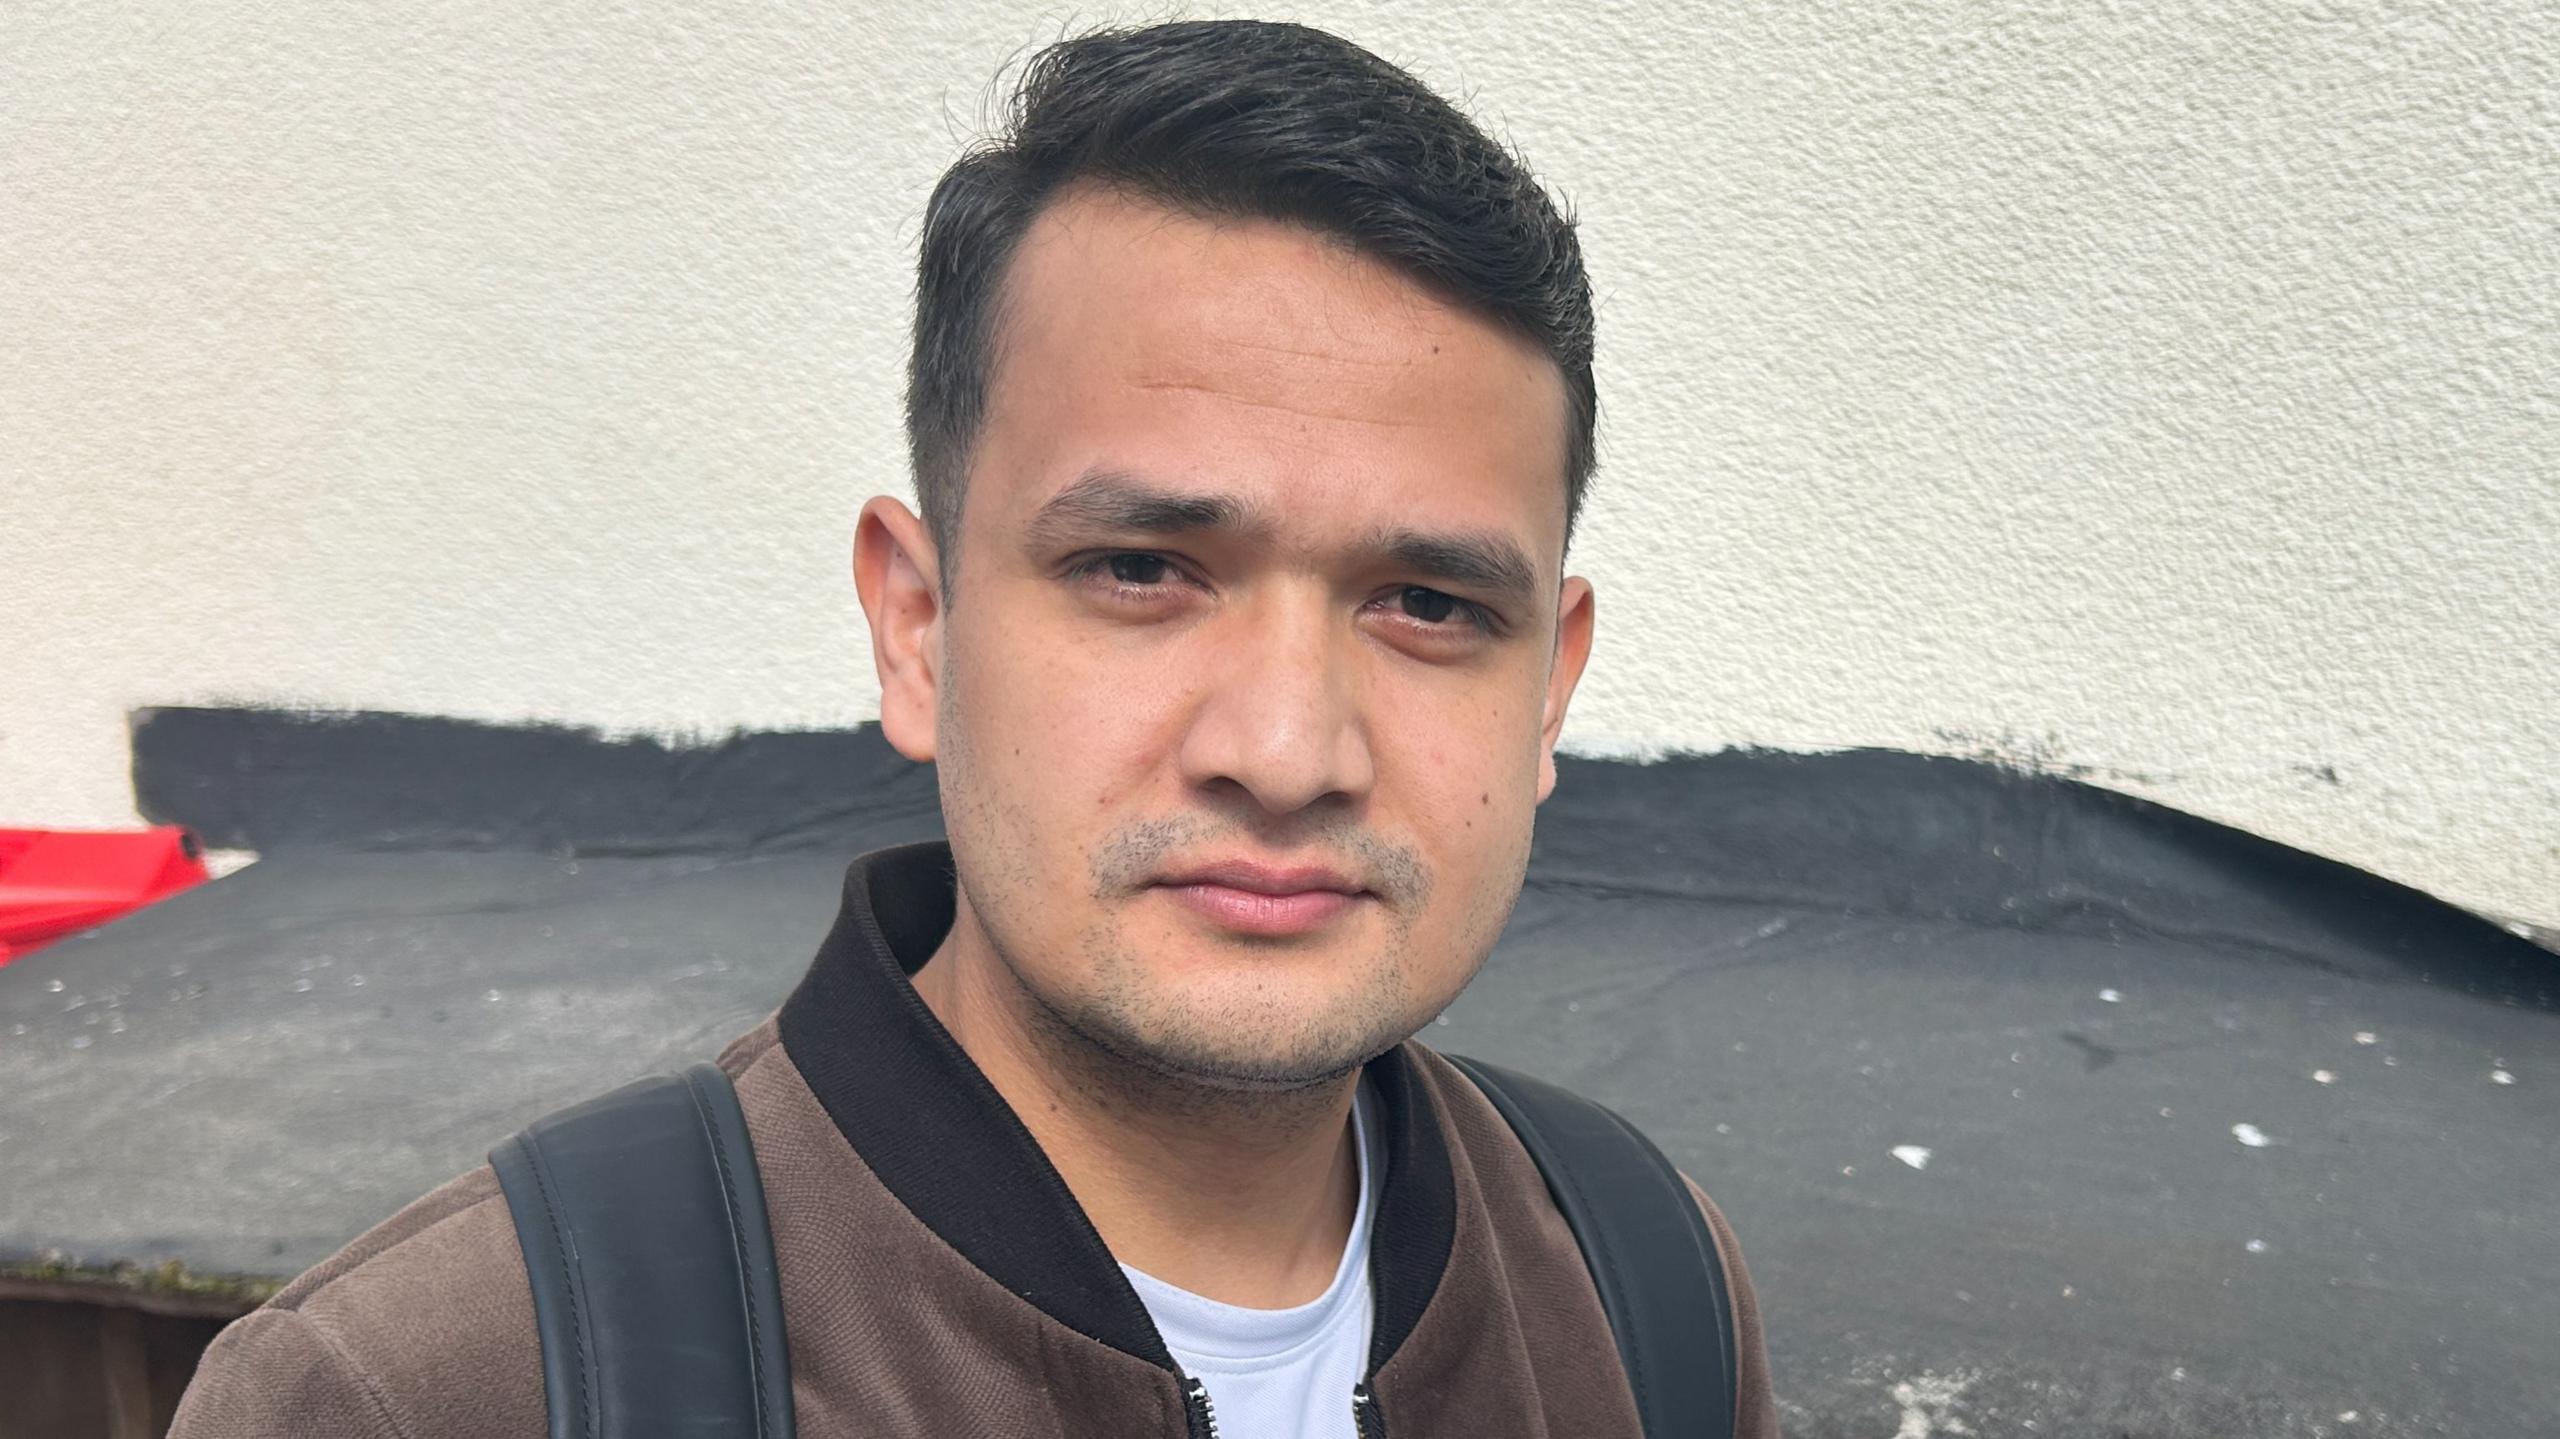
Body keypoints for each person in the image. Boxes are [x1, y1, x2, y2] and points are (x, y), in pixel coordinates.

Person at [171, 19, 1780, 1439]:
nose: (1290, 752)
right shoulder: (435, 1391)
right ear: (918, 627)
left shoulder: (1642, 1287)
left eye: (1428, 604)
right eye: (1143, 570)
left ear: (1550, 681)